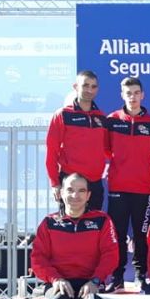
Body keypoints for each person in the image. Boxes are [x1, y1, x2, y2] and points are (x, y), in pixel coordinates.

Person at [104, 77, 150, 292]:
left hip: (143, 189)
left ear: (142, 95)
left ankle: (140, 275)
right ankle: (117, 276)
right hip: (118, 188)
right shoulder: (112, 120)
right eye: (128, 93)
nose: (133, 97)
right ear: (122, 95)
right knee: (117, 234)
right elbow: (106, 150)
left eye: (136, 92)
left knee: (141, 235)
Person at [45, 71, 107, 211]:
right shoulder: (63, 114)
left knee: (93, 227)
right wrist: (55, 183)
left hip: (94, 183)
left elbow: (106, 149)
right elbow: (51, 151)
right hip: (70, 181)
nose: (89, 90)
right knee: (68, 228)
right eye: (85, 85)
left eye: (93, 86)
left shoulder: (101, 117)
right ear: (75, 86)